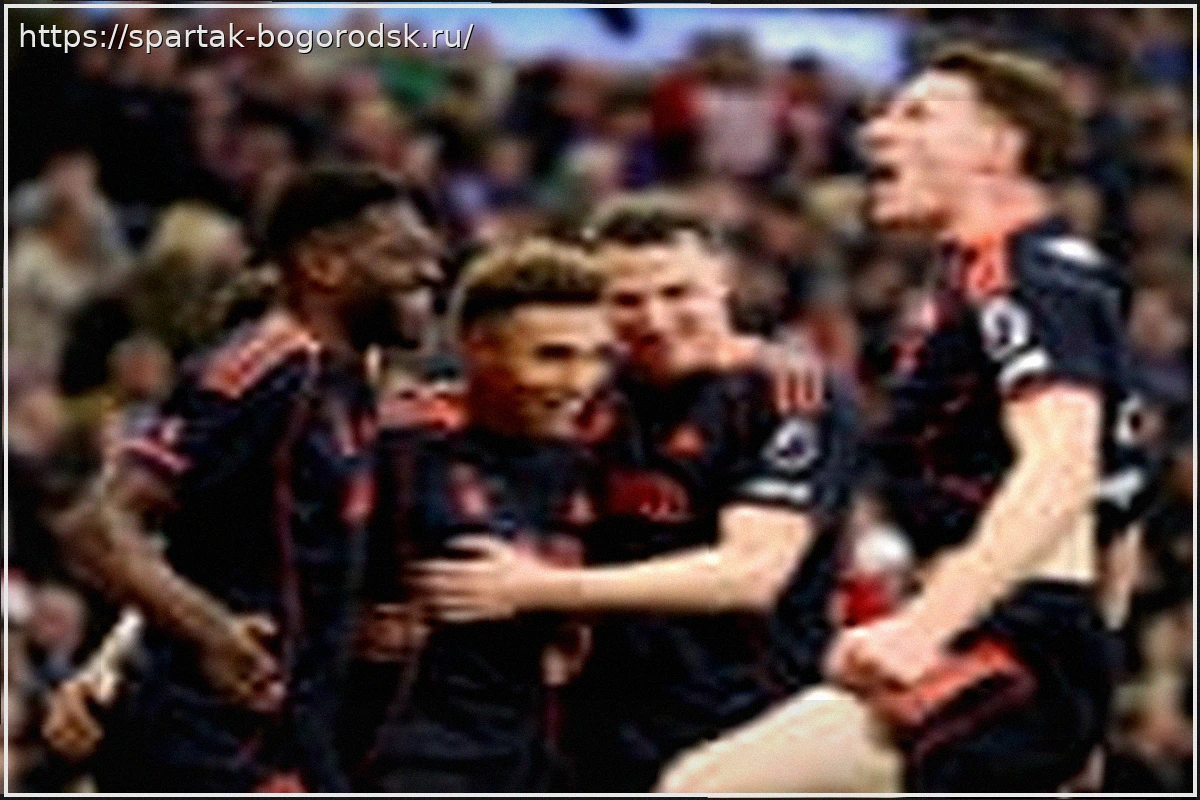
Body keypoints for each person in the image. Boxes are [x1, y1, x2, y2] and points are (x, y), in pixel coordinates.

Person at [656, 44, 1138, 793]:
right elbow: (1120, 494)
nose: (877, 131)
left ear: (998, 147)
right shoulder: (1041, 276)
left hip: (1003, 642)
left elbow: (1063, 467)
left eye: (917, 115)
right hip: (1027, 641)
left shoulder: (1019, 276)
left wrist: (925, 627)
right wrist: (1090, 680)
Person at [413, 203, 856, 791]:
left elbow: (751, 573)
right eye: (626, 301)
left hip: (746, 721)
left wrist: (537, 588)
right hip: (594, 727)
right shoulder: (586, 388)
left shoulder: (786, 391)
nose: (655, 320)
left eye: (678, 293)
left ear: (723, 281)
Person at [52, 165, 443, 792]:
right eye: (403, 255)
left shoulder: (349, 378)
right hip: (211, 737)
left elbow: (223, 545)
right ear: (323, 264)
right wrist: (209, 631)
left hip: (290, 726)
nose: (431, 272)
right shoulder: (267, 369)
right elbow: (96, 527)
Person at [354, 239, 612, 792]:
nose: (579, 382)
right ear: (478, 348)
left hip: (546, 757)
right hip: (413, 758)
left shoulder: (600, 455)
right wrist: (347, 626)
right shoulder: (396, 444)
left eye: (597, 356)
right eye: (552, 356)